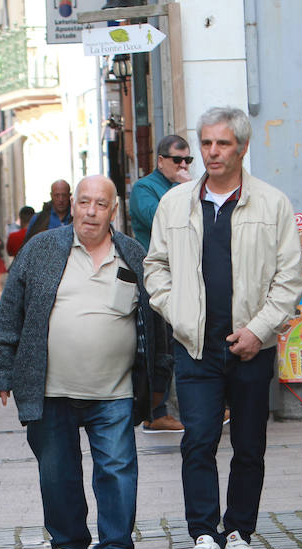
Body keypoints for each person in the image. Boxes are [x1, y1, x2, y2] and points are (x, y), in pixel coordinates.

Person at [145, 106, 302, 549]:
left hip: (252, 346)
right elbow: (156, 267)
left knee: (250, 444)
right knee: (198, 440)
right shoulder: (175, 203)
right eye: (206, 143)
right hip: (196, 346)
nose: (212, 152)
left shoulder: (272, 204)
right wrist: (177, 312)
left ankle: (238, 534)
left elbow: (289, 278)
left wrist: (260, 329)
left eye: (223, 144)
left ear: (242, 147)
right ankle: (203, 535)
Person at [0, 175, 170, 549]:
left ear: (113, 211)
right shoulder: (42, 249)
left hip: (115, 389)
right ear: (72, 206)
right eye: (84, 202)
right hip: (51, 389)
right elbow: (10, 307)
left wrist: (159, 381)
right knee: (57, 472)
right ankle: (69, 544)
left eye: (100, 204)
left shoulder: (133, 254)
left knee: (118, 469)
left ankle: (116, 548)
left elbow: (156, 322)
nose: (91, 211)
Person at [130, 134, 195, 434]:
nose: (183, 165)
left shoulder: (191, 188)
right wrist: (185, 191)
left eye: (188, 160)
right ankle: (155, 412)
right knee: (161, 346)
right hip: (158, 278)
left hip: (189, 275)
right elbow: (159, 219)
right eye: (176, 160)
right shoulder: (145, 188)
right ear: (160, 160)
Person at [21, 180, 73, 248]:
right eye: (57, 195)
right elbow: (28, 245)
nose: (61, 199)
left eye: (64, 195)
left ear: (69, 196)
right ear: (51, 195)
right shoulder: (38, 219)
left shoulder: (77, 218)